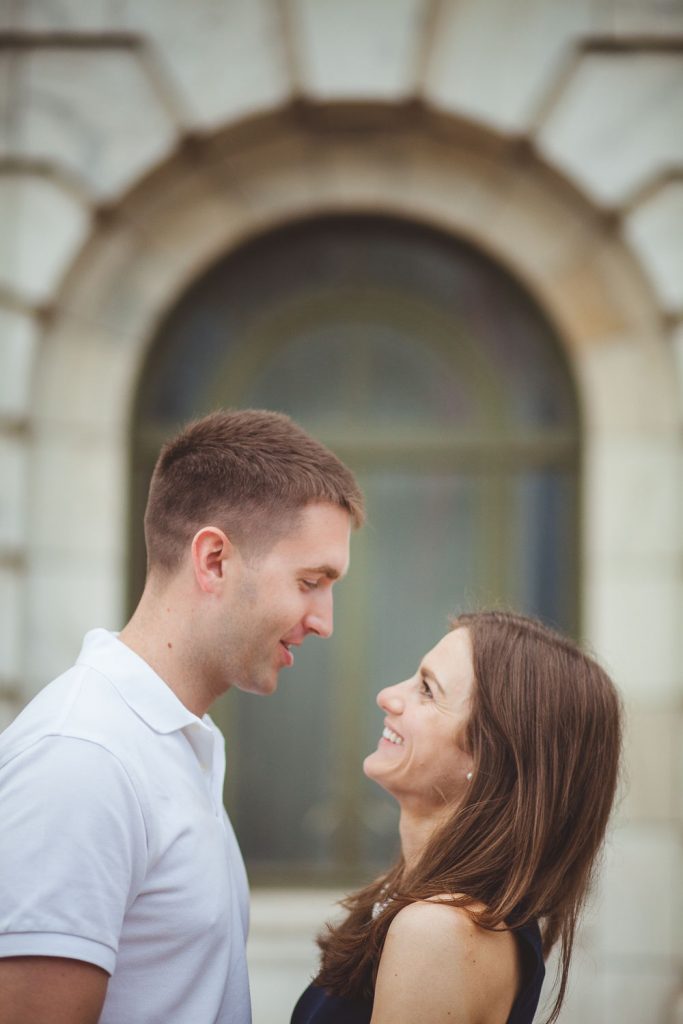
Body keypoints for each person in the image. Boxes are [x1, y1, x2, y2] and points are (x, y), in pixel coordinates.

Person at [0, 408, 364, 1024]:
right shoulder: (83, 757)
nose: (324, 620)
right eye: (310, 581)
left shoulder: (174, 740)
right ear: (215, 560)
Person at [292, 611, 623, 1024]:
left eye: (427, 691)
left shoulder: (437, 931)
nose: (389, 695)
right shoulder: (418, 899)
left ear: (490, 758)